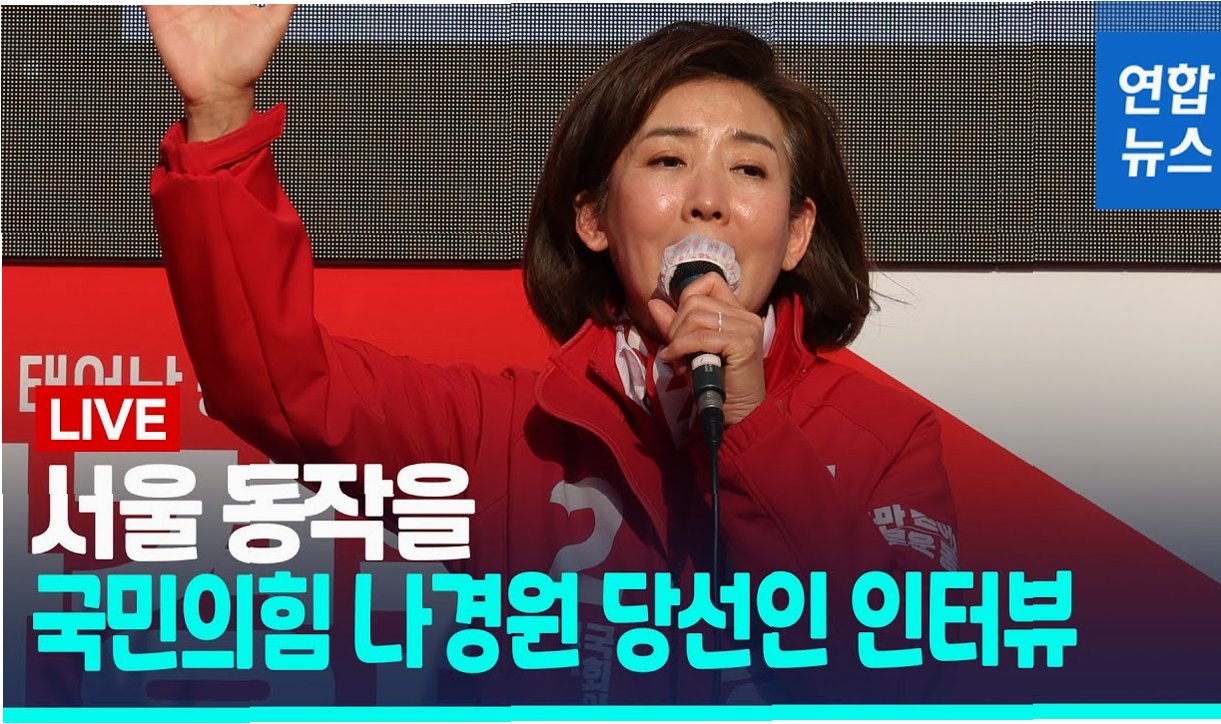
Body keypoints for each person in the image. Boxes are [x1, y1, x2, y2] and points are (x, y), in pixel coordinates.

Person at [147, 6, 958, 705]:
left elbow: (902, 671)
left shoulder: (889, 440)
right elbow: (278, 382)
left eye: (748, 168)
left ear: (797, 233)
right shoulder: (507, 433)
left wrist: (749, 423)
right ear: (595, 218)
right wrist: (220, 118)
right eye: (668, 160)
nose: (708, 199)